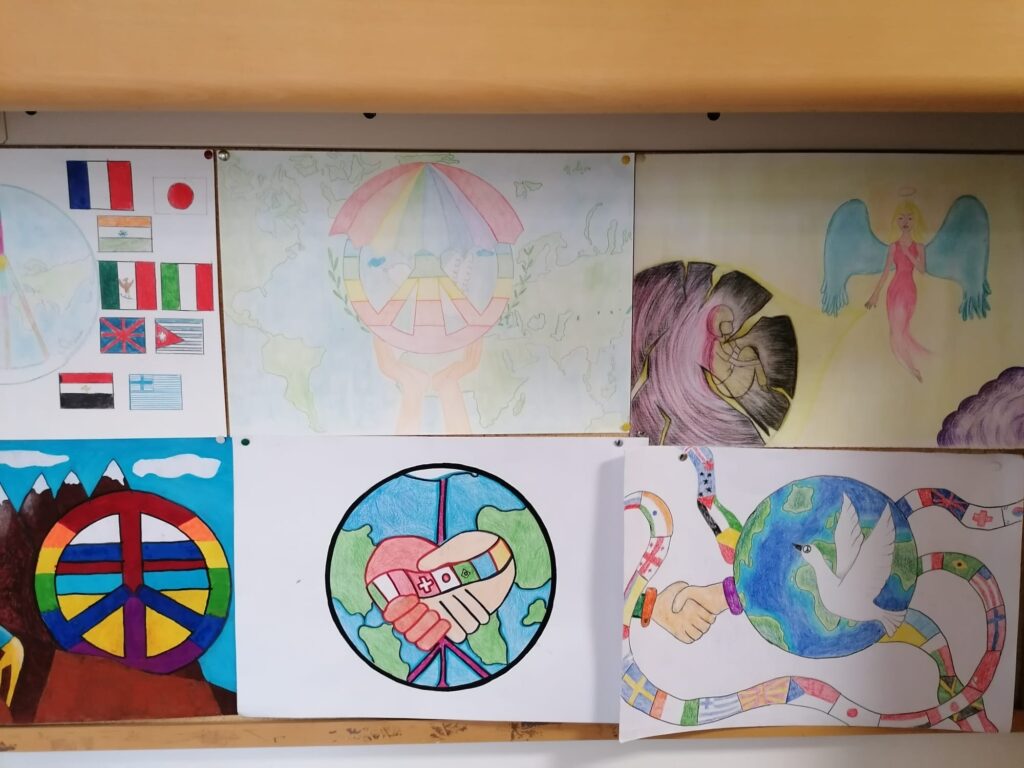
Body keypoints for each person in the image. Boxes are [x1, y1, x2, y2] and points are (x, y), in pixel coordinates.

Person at [865, 201, 929, 381]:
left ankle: (912, 369)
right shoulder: (893, 246)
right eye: (901, 218)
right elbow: (886, 272)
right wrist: (875, 295)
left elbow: (922, 269)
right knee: (895, 333)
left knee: (899, 332)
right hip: (894, 289)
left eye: (909, 218)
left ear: (915, 221)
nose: (905, 221)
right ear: (897, 221)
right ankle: (912, 369)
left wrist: (908, 253)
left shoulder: (919, 246)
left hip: (908, 290)